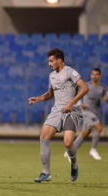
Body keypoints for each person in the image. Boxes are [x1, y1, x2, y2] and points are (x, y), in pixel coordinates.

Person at [28, 48, 89, 183]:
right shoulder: (52, 76)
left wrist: (71, 103)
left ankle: (74, 164)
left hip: (71, 110)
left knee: (68, 143)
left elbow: (85, 88)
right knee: (44, 136)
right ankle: (46, 173)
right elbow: (50, 94)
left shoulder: (70, 72)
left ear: (59, 60)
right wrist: (37, 99)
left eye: (51, 61)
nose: (49, 64)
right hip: (57, 110)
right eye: (49, 61)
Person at [64, 68, 108, 161]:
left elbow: (106, 99)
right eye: (93, 74)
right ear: (91, 75)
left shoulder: (102, 88)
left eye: (96, 74)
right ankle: (93, 150)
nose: (94, 76)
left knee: (85, 133)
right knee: (99, 128)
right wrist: (80, 103)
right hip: (86, 111)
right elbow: (77, 95)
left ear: (99, 76)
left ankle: (70, 151)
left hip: (94, 112)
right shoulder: (86, 86)